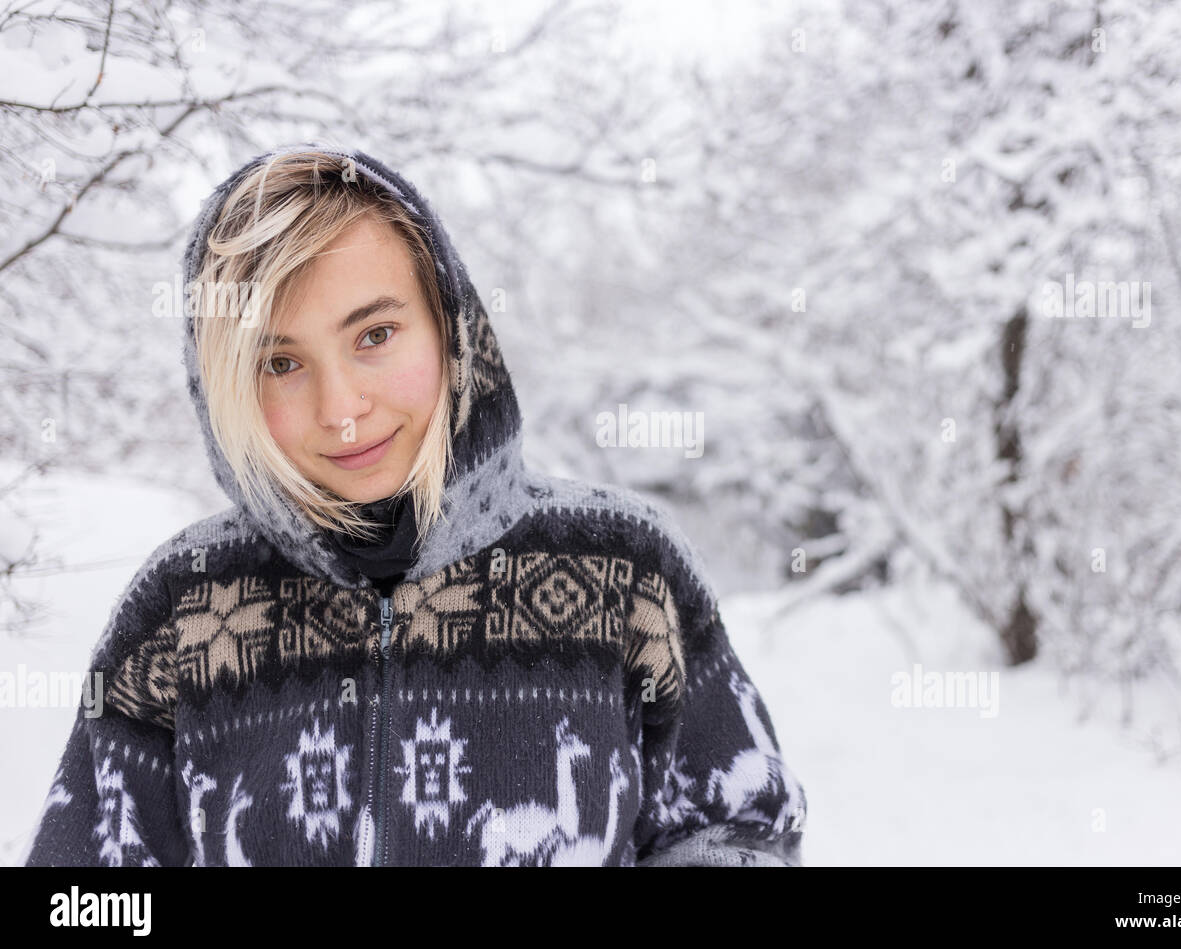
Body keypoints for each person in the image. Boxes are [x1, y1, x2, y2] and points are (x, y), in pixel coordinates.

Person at [21, 143, 807, 866]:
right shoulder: (183, 606)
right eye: (283, 361)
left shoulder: (624, 567)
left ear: (449, 324)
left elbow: (742, 827)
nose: (341, 410)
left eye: (375, 335)